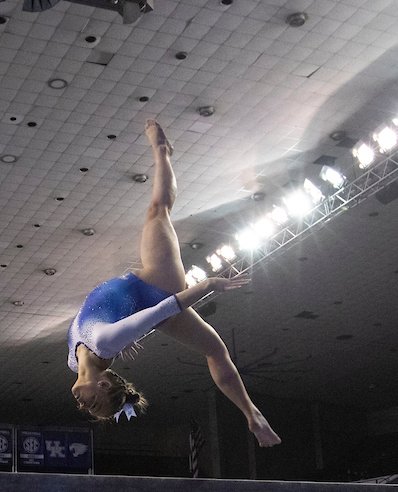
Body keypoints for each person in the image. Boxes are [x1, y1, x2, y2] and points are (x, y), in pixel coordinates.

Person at [67, 119, 280, 448]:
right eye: (93, 404)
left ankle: (251, 414)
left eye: (87, 408)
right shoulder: (106, 342)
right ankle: (161, 150)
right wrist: (209, 283)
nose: (82, 405)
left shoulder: (76, 359)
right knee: (158, 211)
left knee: (215, 350)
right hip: (159, 285)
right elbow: (165, 308)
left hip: (147, 305)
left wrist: (123, 337)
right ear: (105, 386)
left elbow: (101, 331)